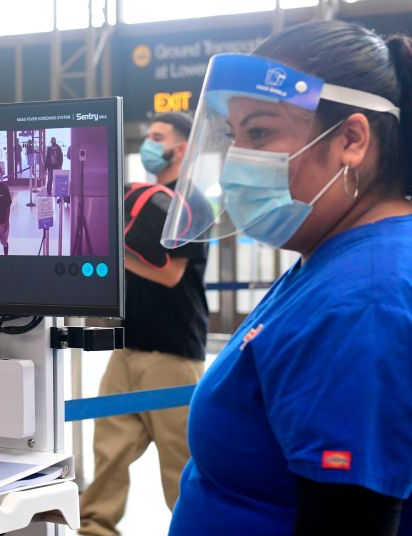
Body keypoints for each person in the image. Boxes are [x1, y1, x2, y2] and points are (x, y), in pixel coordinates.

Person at [160, 21, 412, 535]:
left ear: (351, 140)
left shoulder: (362, 303)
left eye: (260, 132)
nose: (237, 161)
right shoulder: (331, 259)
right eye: (234, 136)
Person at [79, 113, 208, 536]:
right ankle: (94, 528)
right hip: (127, 349)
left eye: (158, 137)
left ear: (182, 148)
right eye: (148, 135)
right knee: (108, 456)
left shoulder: (191, 205)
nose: (150, 144)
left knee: (181, 468)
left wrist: (117, 253)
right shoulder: (135, 199)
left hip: (173, 356)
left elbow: (171, 274)